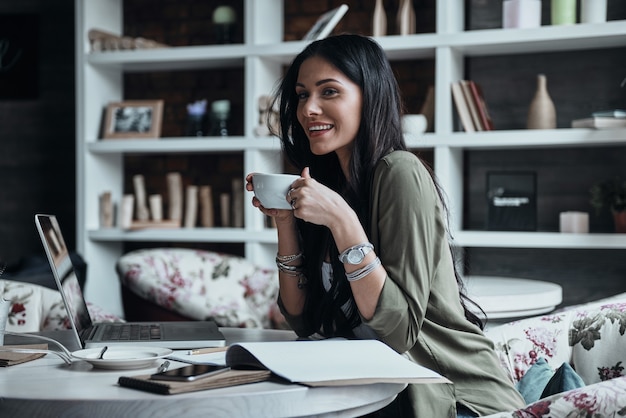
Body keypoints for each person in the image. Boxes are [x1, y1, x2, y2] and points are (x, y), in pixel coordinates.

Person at [245, 34, 525, 417]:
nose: (309, 108)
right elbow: (303, 318)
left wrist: (343, 221)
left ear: (369, 96)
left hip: (453, 401)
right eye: (302, 94)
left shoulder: (399, 172)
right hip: (374, 395)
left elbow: (398, 330)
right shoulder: (330, 185)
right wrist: (285, 224)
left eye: (329, 92)